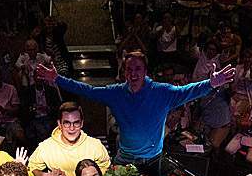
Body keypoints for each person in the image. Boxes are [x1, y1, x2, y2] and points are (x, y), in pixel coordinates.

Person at [37, 52, 236, 168]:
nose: (133, 73)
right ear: (124, 72)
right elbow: (87, 90)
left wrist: (211, 83)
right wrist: (57, 79)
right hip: (125, 156)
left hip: (152, 158)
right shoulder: (114, 93)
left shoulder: (161, 92)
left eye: (137, 69)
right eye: (129, 69)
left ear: (145, 72)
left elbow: (189, 91)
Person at [27, 102, 112, 176]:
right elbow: (33, 168)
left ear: (81, 123)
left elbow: (106, 169)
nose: (72, 128)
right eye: (67, 123)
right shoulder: (46, 147)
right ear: (59, 124)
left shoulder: (95, 145)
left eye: (76, 123)